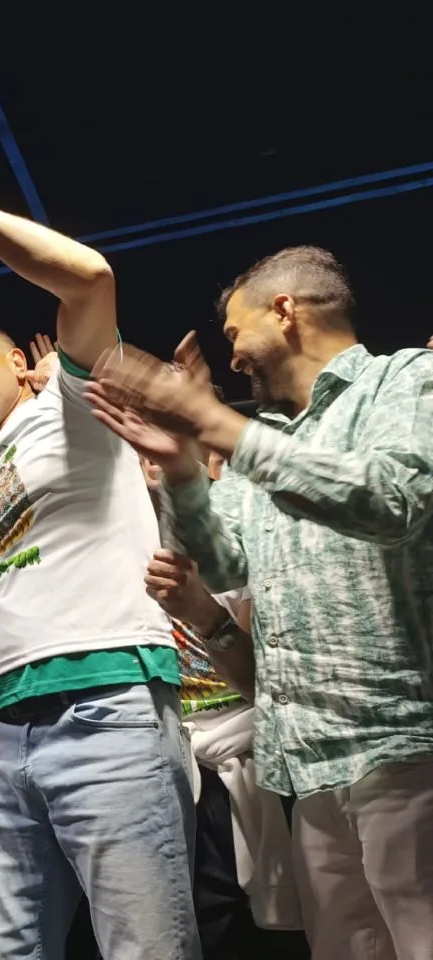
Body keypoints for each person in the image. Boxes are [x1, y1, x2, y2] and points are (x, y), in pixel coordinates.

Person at [0, 172, 201, 959]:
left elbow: (91, 277)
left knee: (146, 948)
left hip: (107, 703)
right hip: (5, 738)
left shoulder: (74, 405)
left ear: (18, 362)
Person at [88, 245, 433, 960]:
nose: (234, 355)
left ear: (285, 311)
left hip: (405, 745)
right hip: (308, 761)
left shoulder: (408, 381)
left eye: (235, 331)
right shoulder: (267, 436)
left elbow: (392, 500)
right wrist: (182, 468)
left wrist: (217, 424)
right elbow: (222, 562)